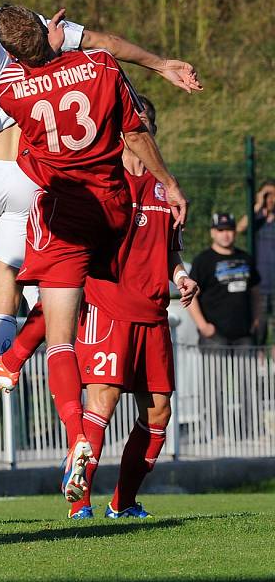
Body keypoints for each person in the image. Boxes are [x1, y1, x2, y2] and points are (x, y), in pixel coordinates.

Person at [0, 0, 202, 472]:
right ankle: (16, 377)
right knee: (58, 311)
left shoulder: (3, 76)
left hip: (13, 190)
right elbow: (109, 50)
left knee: (18, 285)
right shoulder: (94, 65)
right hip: (100, 207)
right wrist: (162, 65)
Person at [0, 5, 187, 503]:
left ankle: (74, 437)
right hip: (110, 205)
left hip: (64, 213)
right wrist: (168, 182)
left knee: (62, 341)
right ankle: (14, 362)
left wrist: (41, 50)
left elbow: (24, 80)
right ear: (50, 33)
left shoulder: (8, 85)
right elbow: (133, 131)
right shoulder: (102, 66)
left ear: (11, 52)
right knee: (104, 282)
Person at [66, 96, 199, 519]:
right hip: (108, 309)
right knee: (101, 405)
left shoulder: (167, 189)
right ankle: (79, 505)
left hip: (154, 315)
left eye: (144, 126)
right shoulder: (102, 182)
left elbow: (170, 251)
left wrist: (180, 277)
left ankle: (123, 502)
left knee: (159, 411)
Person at [187, 213, 260, 347]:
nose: (225, 234)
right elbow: (191, 296)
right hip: (214, 337)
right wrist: (203, 326)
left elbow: (255, 292)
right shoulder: (202, 261)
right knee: (215, 369)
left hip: (244, 335)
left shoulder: (246, 259)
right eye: (220, 230)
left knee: (247, 369)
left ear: (235, 232)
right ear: (212, 232)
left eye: (229, 230)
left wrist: (256, 320)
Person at [237, 180, 275, 344]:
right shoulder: (256, 218)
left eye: (273, 195)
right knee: (259, 332)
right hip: (259, 285)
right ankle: (259, 367)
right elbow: (240, 228)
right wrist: (258, 204)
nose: (271, 199)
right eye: (267, 195)